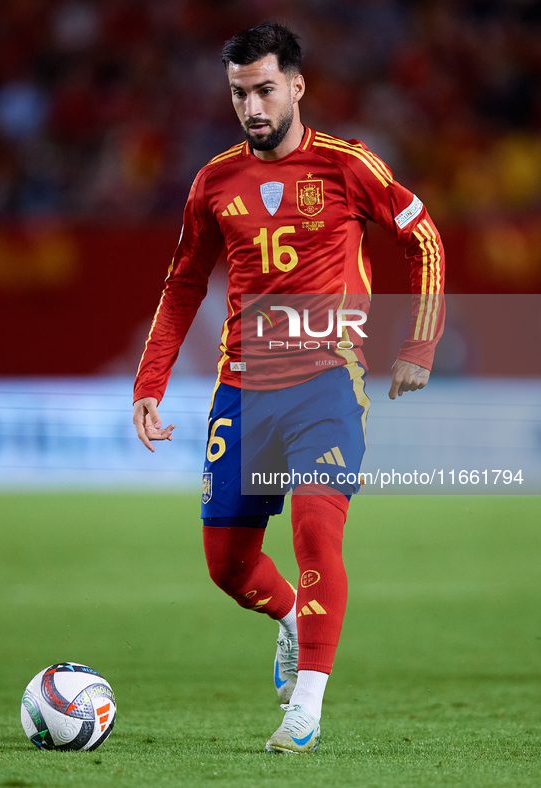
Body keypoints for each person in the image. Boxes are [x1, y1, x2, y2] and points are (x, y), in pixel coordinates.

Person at [133, 22, 444, 754]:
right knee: (228, 567)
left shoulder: (348, 165)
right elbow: (181, 286)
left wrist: (419, 343)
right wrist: (150, 383)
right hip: (242, 391)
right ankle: (288, 621)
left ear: (296, 86)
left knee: (313, 526)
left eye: (264, 89)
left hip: (324, 383)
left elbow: (422, 236)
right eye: (239, 92)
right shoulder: (213, 182)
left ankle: (304, 703)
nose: (251, 106)